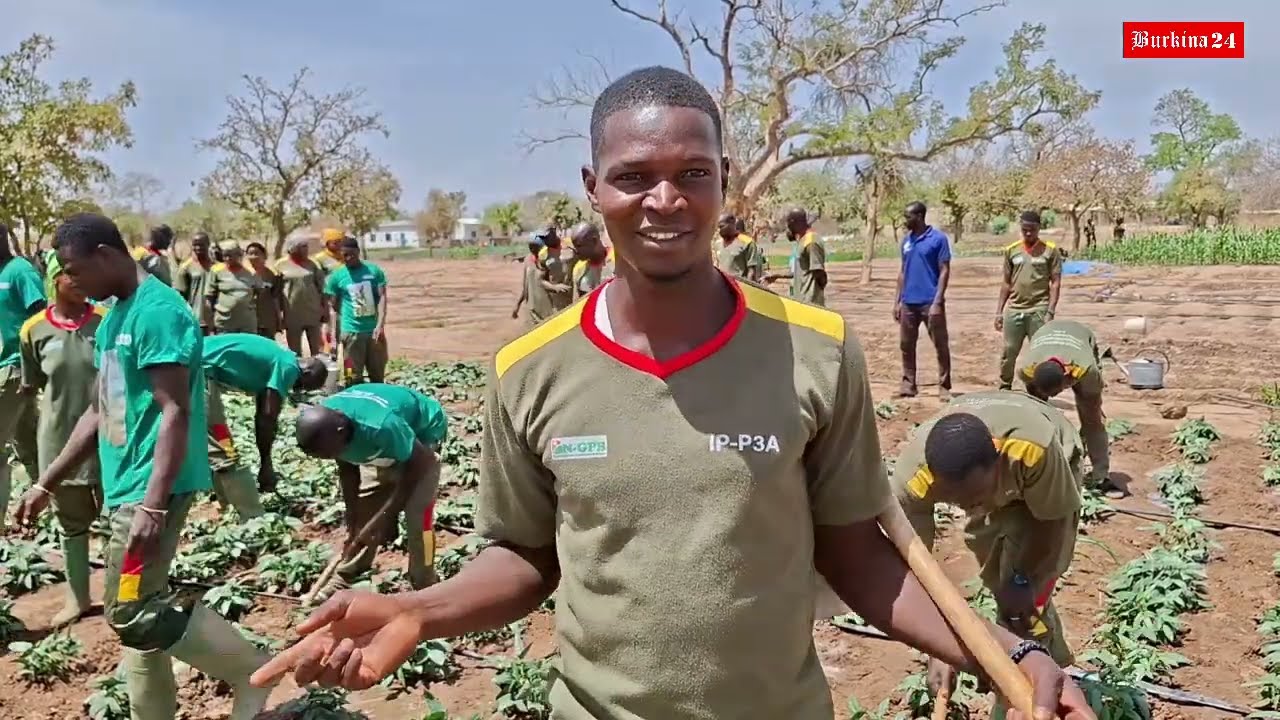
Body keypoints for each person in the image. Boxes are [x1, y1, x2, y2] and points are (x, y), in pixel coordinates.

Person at [249, 65, 1093, 720]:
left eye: (693, 173)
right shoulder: (529, 371)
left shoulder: (817, 351)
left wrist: (1005, 655)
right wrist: (418, 610)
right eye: (633, 176)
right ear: (592, 187)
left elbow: (860, 554)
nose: (664, 200)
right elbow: (524, 558)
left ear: (726, 181)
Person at [15, 213, 274, 720]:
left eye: (75, 268)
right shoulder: (115, 317)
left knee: (130, 612)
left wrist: (152, 505)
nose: (72, 281)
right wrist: (46, 483)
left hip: (150, 490)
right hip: (125, 485)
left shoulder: (157, 312)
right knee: (139, 614)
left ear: (106, 256)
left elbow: (176, 411)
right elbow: (98, 410)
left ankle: (252, 669)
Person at [893, 389, 1085, 720]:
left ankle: (1034, 689)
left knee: (1024, 603)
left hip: (1047, 471)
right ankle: (1039, 660)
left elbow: (1051, 523)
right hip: (1001, 480)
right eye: (957, 501)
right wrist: (940, 646)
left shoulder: (1033, 449)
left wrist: (1025, 579)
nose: (969, 508)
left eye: (975, 497)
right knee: (999, 579)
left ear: (997, 459)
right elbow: (917, 565)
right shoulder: (913, 482)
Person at [293, 383, 447, 603]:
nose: (332, 456)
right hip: (385, 442)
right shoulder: (326, 427)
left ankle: (425, 583)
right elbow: (348, 470)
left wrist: (388, 513)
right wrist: (353, 520)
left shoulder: (381, 425)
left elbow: (420, 461)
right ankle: (347, 575)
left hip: (422, 441)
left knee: (418, 518)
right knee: (365, 513)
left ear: (341, 433)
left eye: (331, 452)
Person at [18, 254, 107, 625]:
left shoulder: (105, 321)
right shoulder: (33, 330)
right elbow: (33, 384)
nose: (79, 280)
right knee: (71, 524)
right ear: (54, 279)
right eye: (70, 274)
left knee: (115, 519)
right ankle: (78, 598)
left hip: (108, 437)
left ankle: (122, 598)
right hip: (57, 438)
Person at [202, 333, 327, 513]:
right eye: (300, 386)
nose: (294, 389)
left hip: (200, 368)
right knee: (223, 445)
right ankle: (251, 516)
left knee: (214, 435)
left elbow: (264, 410)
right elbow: (267, 418)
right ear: (306, 373)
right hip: (197, 371)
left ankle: (226, 502)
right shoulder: (289, 367)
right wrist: (266, 463)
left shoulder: (281, 357)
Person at [1021, 319, 1116, 496]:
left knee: (1092, 420)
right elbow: (1035, 410)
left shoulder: (1086, 369)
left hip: (1079, 336)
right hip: (1045, 334)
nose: (1054, 397)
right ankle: (1039, 467)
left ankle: (1101, 477)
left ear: (1066, 377)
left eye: (1058, 391)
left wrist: (1091, 413)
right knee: (1037, 417)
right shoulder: (1027, 369)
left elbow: (1092, 404)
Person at [0, 224, 45, 529]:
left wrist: (36, 368)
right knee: (28, 442)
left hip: (15, 368)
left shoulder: (19, 271)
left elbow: (40, 315)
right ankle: (47, 505)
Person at [996, 210, 1062, 390]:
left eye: (1032, 230)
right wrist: (999, 312)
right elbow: (1006, 283)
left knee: (1039, 353)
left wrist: (1050, 311)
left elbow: (1055, 282)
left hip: (1039, 310)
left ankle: (1037, 390)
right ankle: (1004, 386)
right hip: (1015, 310)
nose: (1028, 233)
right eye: (1024, 229)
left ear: (1039, 228)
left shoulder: (1050, 251)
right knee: (1009, 351)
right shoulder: (1011, 251)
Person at [893, 201, 953, 400]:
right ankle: (908, 385)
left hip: (930, 302)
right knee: (906, 344)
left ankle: (944, 386)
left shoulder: (938, 239)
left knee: (940, 345)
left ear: (919, 216)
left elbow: (944, 270)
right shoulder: (906, 241)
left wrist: (938, 300)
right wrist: (897, 301)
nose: (905, 220)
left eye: (908, 216)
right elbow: (902, 272)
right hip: (909, 302)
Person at [325, 236, 389, 385]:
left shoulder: (374, 271)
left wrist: (380, 325)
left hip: (373, 333)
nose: (348, 258)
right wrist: (334, 336)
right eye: (344, 255)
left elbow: (382, 298)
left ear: (358, 252)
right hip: (351, 334)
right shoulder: (337, 276)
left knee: (378, 375)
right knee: (351, 375)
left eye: (351, 254)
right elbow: (333, 307)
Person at [276, 235, 330, 356]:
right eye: (303, 247)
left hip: (313, 313)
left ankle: (318, 373)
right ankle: (298, 374)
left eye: (306, 246)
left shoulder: (313, 264)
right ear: (293, 248)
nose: (306, 250)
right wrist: (279, 314)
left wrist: (325, 309)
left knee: (317, 350)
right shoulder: (280, 265)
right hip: (292, 314)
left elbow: (322, 289)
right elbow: (276, 292)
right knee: (294, 352)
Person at [764, 207, 827, 305]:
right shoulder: (803, 241)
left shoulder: (811, 241)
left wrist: (816, 294)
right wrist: (777, 275)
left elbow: (819, 272)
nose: (789, 228)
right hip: (800, 300)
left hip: (810, 302)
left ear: (797, 223)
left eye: (790, 224)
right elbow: (800, 271)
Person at [205, 241, 263, 335]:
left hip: (247, 323)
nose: (227, 259)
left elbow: (259, 292)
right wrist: (210, 320)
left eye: (230, 255)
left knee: (247, 348)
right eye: (225, 256)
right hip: (224, 322)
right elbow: (209, 297)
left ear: (238, 255)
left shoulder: (250, 272)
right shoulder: (216, 271)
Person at [174, 232, 216, 334]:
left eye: (201, 244)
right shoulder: (185, 267)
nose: (198, 248)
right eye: (195, 245)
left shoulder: (216, 266)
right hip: (195, 319)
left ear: (208, 244)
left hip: (215, 321)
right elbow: (180, 296)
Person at [246, 242, 283, 338]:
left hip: (268, 320)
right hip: (249, 320)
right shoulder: (244, 275)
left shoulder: (274, 275)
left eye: (256, 253)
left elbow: (276, 299)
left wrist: (279, 319)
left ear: (264, 255)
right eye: (250, 254)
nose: (253, 257)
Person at [569, 221, 613, 298]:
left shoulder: (619, 260)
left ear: (594, 241)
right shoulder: (579, 269)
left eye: (579, 246)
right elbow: (577, 304)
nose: (576, 251)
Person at [535, 226, 574, 314]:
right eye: (543, 238)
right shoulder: (543, 255)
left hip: (575, 293)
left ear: (555, 232)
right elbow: (540, 280)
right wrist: (554, 287)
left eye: (548, 236)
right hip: (558, 299)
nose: (546, 240)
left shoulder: (570, 245)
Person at [715, 213, 762, 282]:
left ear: (732, 225)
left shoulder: (747, 243)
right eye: (718, 228)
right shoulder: (718, 244)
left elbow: (751, 271)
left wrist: (747, 289)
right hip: (723, 287)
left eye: (721, 227)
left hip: (739, 287)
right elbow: (717, 266)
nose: (719, 230)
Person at [510, 235, 544, 321]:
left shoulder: (547, 260)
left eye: (535, 247)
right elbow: (525, 286)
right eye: (530, 247)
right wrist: (518, 305)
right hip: (533, 307)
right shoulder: (528, 260)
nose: (532, 250)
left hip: (547, 306)